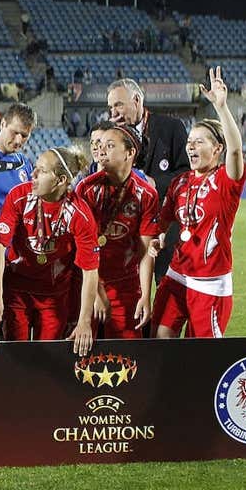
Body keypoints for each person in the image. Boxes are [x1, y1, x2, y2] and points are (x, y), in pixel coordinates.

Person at [149, 67, 246, 338]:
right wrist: (157, 239)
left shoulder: (227, 182)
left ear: (217, 149)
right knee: (160, 339)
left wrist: (221, 107)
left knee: (202, 358)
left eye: (199, 142)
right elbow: (163, 220)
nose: (190, 147)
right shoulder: (180, 183)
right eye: (189, 142)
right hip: (177, 274)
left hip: (211, 284)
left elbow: (236, 149)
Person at [0, 146, 99, 356]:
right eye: (35, 168)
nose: (32, 175)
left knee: (48, 357)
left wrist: (84, 322)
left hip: (54, 296)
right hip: (17, 291)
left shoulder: (79, 214)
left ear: (60, 180)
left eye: (41, 171)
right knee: (16, 355)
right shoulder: (19, 196)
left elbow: (90, 270)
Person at [75, 125, 160, 339]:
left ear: (130, 153)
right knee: (81, 352)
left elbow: (145, 251)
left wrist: (145, 295)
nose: (101, 151)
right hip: (88, 281)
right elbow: (82, 248)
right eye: (100, 145)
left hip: (126, 285)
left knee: (127, 355)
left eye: (110, 146)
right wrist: (97, 293)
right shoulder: (85, 189)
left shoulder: (147, 194)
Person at [106, 77, 189, 279]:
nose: (113, 113)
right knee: (127, 290)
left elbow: (186, 174)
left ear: (136, 100)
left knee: (166, 287)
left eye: (118, 105)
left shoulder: (171, 128)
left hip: (164, 222)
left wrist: (155, 183)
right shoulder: (110, 137)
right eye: (110, 108)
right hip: (127, 226)